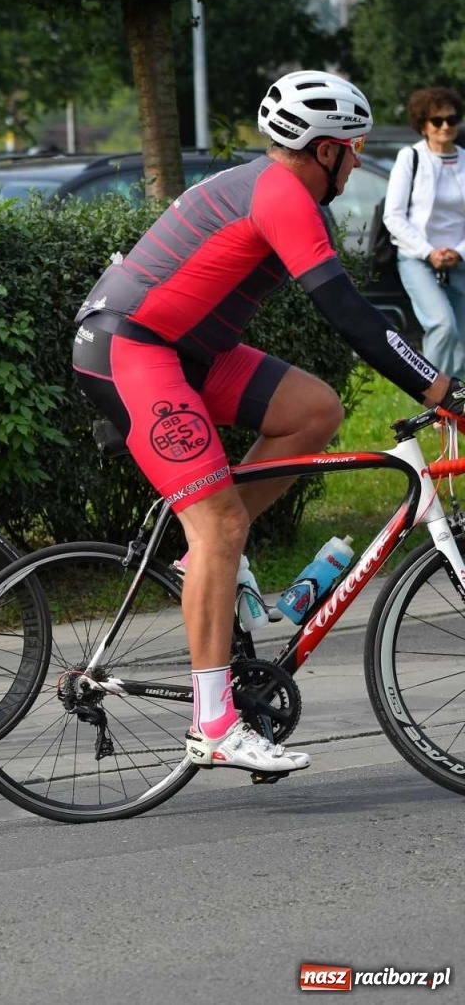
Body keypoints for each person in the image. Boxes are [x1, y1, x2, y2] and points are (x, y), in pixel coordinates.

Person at [71, 70, 465, 774]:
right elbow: (349, 314)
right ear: (324, 152)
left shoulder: (271, 185)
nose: (357, 161)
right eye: (353, 148)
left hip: (187, 351)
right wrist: (442, 387)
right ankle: (213, 724)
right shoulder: (283, 195)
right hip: (133, 350)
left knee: (314, 411)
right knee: (218, 520)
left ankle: (208, 558)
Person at [384, 86, 465, 377]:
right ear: (423, 124)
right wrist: (429, 252)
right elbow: (393, 216)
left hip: (460, 259)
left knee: (461, 340)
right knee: (442, 325)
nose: (445, 126)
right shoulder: (411, 158)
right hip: (417, 257)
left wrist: (458, 251)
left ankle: (459, 411)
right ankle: (437, 403)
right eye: (437, 121)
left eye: (451, 120)